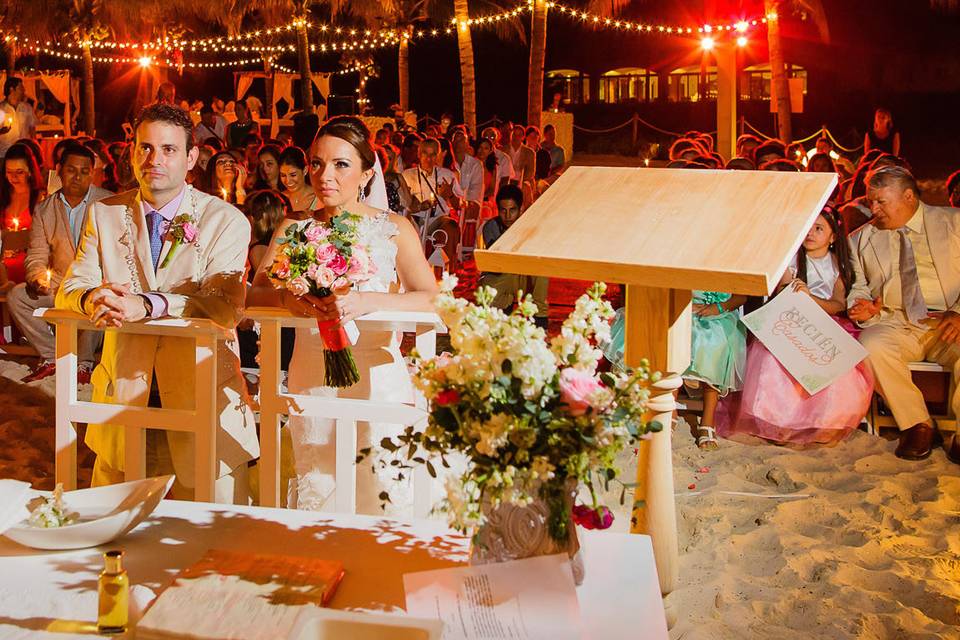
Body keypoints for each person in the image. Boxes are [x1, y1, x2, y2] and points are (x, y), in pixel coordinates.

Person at [55, 103, 260, 500]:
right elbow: (72, 284)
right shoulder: (105, 213)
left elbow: (224, 304)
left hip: (199, 396)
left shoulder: (225, 219)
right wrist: (91, 295)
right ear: (132, 152)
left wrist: (150, 305)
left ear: (191, 158)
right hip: (125, 395)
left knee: (208, 543)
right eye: (145, 148)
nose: (154, 159)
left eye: (168, 149)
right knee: (117, 535)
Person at [247, 116, 438, 512]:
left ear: (367, 174)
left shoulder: (394, 228)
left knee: (382, 484)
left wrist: (371, 302)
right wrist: (289, 301)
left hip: (377, 376)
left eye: (340, 164)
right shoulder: (293, 226)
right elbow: (255, 293)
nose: (324, 175)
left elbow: (430, 297)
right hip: (312, 375)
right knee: (320, 482)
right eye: (316, 163)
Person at [717, 207, 874, 446]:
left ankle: (820, 424)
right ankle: (779, 423)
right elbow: (782, 295)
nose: (810, 233)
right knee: (773, 360)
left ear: (833, 237)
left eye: (819, 229)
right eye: (808, 228)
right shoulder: (790, 260)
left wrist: (812, 299)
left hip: (822, 322)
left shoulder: (836, 266)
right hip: (790, 320)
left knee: (834, 364)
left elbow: (837, 304)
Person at [848, 166, 960, 463]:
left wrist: (959, 313)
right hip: (895, 320)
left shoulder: (954, 222)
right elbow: (857, 287)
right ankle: (917, 424)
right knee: (871, 345)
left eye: (881, 201)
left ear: (908, 196)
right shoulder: (860, 238)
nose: (873, 209)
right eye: (870, 201)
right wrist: (863, 308)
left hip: (949, 320)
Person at [12, 143, 112, 383]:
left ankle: (84, 363)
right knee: (18, 297)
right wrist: (36, 276)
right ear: (59, 171)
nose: (77, 177)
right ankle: (52, 356)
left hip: (94, 281)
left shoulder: (108, 203)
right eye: (71, 170)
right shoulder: (45, 209)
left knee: (99, 296)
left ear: (93, 173)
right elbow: (36, 253)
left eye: (84, 171)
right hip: (59, 281)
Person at [683, 289, 748, 450]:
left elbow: (741, 296)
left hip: (721, 315)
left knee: (716, 341)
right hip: (686, 309)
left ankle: (707, 418)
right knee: (677, 336)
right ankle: (671, 413)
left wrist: (718, 307)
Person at [478, 184, 548, 328]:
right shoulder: (491, 227)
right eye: (503, 211)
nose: (508, 216)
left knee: (541, 271)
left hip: (524, 274)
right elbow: (498, 260)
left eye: (512, 210)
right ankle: (505, 306)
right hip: (502, 275)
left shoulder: (530, 226)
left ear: (521, 209)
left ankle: (540, 320)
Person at [0, 143, 43, 287]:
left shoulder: (40, 198)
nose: (13, 177)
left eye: (19, 172)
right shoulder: (3, 196)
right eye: (9, 172)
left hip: (29, 266)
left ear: (30, 171)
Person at [0, 78, 36, 158]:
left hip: (24, 151)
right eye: (21, 88)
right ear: (12, 89)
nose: (24, 91)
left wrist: (34, 147)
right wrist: (2, 131)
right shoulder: (1, 109)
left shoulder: (27, 107)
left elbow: (32, 129)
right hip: (5, 153)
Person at [278, 146, 318, 214]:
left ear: (305, 170)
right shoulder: (279, 199)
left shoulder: (317, 198)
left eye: (293, 175)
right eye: (283, 175)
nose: (288, 181)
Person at [451, 127, 483, 203]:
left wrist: (461, 201)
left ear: (467, 143)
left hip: (469, 204)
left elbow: (475, 189)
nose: (458, 143)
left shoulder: (475, 164)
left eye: (461, 140)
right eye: (455, 140)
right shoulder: (448, 163)